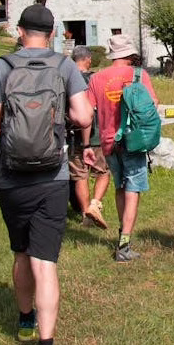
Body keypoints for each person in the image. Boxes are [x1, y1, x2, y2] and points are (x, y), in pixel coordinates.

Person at [0, 4, 92, 345]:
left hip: (11, 179)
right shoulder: (65, 67)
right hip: (53, 177)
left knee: (21, 252)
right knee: (44, 262)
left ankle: (25, 318)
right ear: (53, 33)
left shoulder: (2, 66)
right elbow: (83, 116)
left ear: (20, 31)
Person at [83, 35, 159, 262]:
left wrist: (87, 144)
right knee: (133, 188)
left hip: (108, 142)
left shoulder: (97, 78)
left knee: (119, 186)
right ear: (129, 53)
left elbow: (87, 115)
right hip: (133, 140)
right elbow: (153, 104)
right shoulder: (139, 75)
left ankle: (121, 234)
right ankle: (124, 244)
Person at [67, 46, 109, 229]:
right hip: (97, 134)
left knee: (80, 176)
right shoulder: (96, 79)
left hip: (74, 135)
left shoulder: (67, 79)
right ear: (88, 60)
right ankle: (94, 204)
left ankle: (85, 215)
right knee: (102, 172)